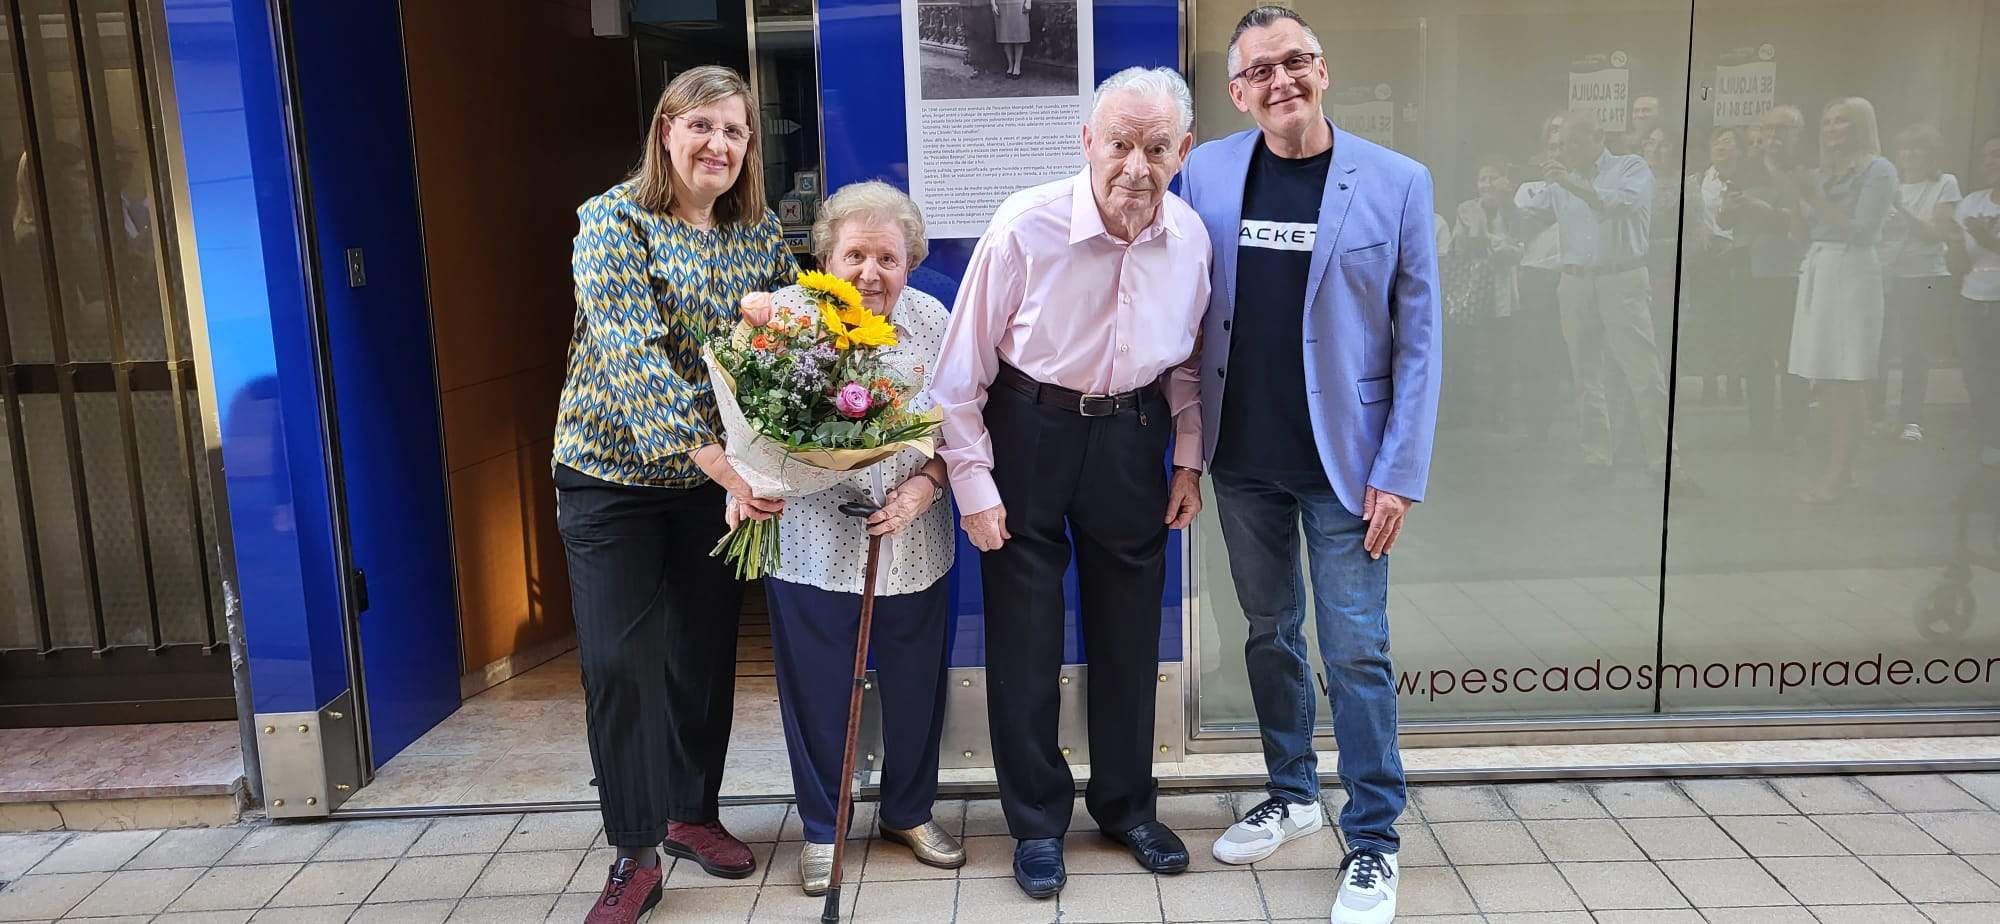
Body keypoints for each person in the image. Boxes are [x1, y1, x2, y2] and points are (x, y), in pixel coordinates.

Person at [1179, 8, 1440, 923]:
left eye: (1296, 61)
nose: (1281, 79)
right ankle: (1293, 794)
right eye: (1260, 70)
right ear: (1239, 90)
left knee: (1357, 650)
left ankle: (1373, 841)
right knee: (1268, 633)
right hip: (1242, 459)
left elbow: (1420, 342)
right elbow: (1184, 313)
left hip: (1348, 469)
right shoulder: (1206, 170)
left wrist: (1400, 471)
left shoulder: (1397, 182)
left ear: (1322, 71)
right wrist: (1186, 450)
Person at [930, 66, 1210, 900]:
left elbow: (1190, 362)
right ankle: (1038, 822)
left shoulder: (1191, 237)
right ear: (1086, 141)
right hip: (1031, 429)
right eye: (1119, 143)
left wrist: (1188, 456)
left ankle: (1126, 806)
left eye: (1156, 147)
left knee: (1130, 628)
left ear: (1183, 151)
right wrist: (975, 486)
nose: (1135, 165)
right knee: (1024, 635)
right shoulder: (1026, 225)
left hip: (1133, 437)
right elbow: (957, 377)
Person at [554, 65, 797, 924]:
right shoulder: (611, 220)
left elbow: (779, 355)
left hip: (713, 484)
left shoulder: (758, 232)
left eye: (734, 132)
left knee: (703, 654)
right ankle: (632, 851)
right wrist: (728, 469)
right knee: (620, 664)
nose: (718, 146)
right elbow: (635, 361)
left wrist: (776, 458)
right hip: (610, 478)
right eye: (702, 127)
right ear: (666, 131)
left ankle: (693, 813)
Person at [735, 182, 964, 895]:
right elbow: (750, 424)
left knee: (916, 685)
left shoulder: (933, 319)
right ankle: (821, 827)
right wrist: (751, 480)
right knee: (817, 690)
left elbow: (966, 422)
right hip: (808, 543)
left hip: (915, 540)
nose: (871, 272)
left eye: (888, 257)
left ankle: (909, 811)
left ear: (911, 261)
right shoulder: (790, 322)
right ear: (826, 258)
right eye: (856, 254)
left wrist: (927, 483)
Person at [1518, 110, 1675, 487]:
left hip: (1621, 279)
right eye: (1558, 145)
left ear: (1597, 137)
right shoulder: (1560, 180)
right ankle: (1596, 458)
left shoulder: (1631, 167)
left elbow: (1615, 205)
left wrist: (1567, 183)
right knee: (1585, 373)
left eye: (1571, 142)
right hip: (1574, 281)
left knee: (1643, 373)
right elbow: (1532, 210)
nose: (1564, 151)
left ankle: (1662, 461)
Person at [1787, 97, 1897, 504]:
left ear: (1862, 127)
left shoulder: (1879, 170)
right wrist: (1791, 193)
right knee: (1828, 378)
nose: (1833, 130)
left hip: (1852, 271)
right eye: (1828, 122)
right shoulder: (1821, 174)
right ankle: (1844, 471)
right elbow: (1801, 234)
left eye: (1843, 123)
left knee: (1846, 376)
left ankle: (1837, 474)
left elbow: (1863, 230)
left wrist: (1813, 199)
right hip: (1819, 265)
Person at [1721, 105, 1811, 450]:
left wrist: (1768, 213)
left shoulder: (1805, 173)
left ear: (1796, 136)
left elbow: (1807, 221)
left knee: (1791, 353)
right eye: (1769, 130)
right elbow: (1727, 217)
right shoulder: (1745, 169)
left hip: (1790, 271)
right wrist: (1728, 210)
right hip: (1750, 270)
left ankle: (1795, 429)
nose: (1773, 138)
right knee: (1753, 351)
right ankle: (1758, 428)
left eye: (1782, 131)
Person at [1874, 124, 1962, 442]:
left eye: (1918, 148)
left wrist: (1901, 211)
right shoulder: (1891, 184)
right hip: (1887, 275)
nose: (1910, 155)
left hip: (1925, 277)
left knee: (1914, 348)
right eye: (1905, 149)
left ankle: (1911, 419)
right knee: (1879, 348)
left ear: (1932, 154)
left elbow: (1935, 233)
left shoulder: (1945, 183)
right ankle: (1874, 415)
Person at [1449, 156, 1524, 432]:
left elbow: (1518, 250)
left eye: (1493, 178)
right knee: (1463, 354)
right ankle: (1460, 414)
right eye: (1482, 179)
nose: (1487, 184)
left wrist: (1495, 245)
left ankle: (1499, 414)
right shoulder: (1467, 209)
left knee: (1501, 357)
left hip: (1503, 293)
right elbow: (1468, 244)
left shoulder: (1514, 210)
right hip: (1472, 290)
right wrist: (1496, 244)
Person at [1683, 128, 1750, 407]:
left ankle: (1734, 381)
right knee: (1707, 321)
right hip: (1706, 260)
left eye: (1727, 143)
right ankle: (1709, 382)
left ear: (1739, 150)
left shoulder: (1747, 180)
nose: (1721, 148)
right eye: (1716, 143)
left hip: (1739, 257)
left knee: (1736, 320)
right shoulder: (1696, 182)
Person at [1954, 136, 2000, 466]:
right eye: (1986, 156)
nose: (1990, 161)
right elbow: (1960, 258)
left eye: (1997, 155)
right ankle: (1989, 435)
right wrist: (1952, 242)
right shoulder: (1971, 202)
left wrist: (1990, 240)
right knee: (1975, 375)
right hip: (1972, 299)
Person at [959, 0, 1004, 78]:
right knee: (971, 36)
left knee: (986, 34)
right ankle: (977, 67)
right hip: (967, 6)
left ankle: (990, 65)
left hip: (983, 5)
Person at [993, 0, 1031, 80]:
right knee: (1005, 34)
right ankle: (1010, 65)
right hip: (1002, 4)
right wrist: (993, 3)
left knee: (1019, 32)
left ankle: (1017, 66)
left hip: (1019, 3)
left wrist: (1028, 1)